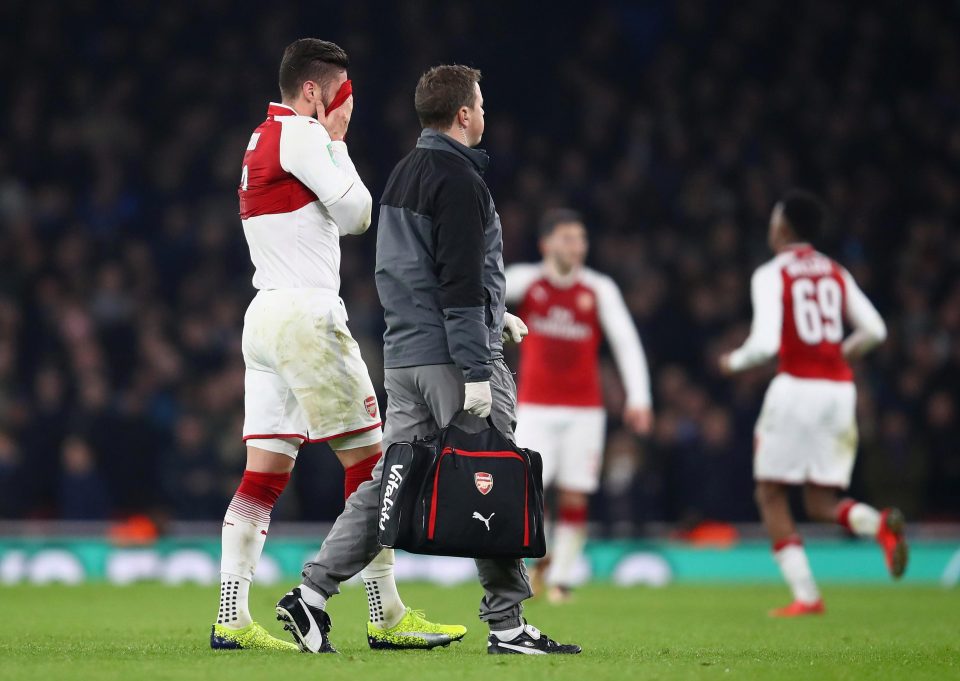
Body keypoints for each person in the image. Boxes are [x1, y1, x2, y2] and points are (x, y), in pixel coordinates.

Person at [275, 64, 581, 655]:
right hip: (454, 358)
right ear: (463, 114)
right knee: (493, 474)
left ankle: (310, 595)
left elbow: (407, 275)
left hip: (405, 357)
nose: (485, 113)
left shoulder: (402, 175)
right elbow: (461, 282)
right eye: (481, 103)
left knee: (391, 482)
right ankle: (508, 625)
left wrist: (497, 315)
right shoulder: (460, 180)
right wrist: (475, 368)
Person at [211, 38, 465, 652]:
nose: (349, 108)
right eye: (343, 97)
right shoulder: (301, 133)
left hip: (265, 314)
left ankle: (231, 615)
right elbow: (357, 214)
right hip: (306, 315)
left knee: (262, 477)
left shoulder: (258, 137)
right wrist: (338, 140)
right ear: (312, 93)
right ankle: (386, 613)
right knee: (372, 466)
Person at [718, 190, 908, 617]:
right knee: (820, 501)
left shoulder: (772, 273)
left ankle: (807, 596)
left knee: (770, 493)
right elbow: (876, 330)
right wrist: (842, 353)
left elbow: (765, 343)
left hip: (796, 389)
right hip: (840, 392)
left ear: (782, 228)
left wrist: (733, 362)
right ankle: (878, 525)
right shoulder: (835, 271)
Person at [505, 210, 653, 603]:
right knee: (530, 492)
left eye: (581, 239)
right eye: (568, 238)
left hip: (585, 409)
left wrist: (639, 398)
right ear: (547, 244)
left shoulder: (598, 288)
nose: (577, 246)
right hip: (535, 407)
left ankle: (562, 580)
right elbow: (482, 292)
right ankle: (533, 567)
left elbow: (625, 340)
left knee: (575, 494)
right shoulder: (525, 282)